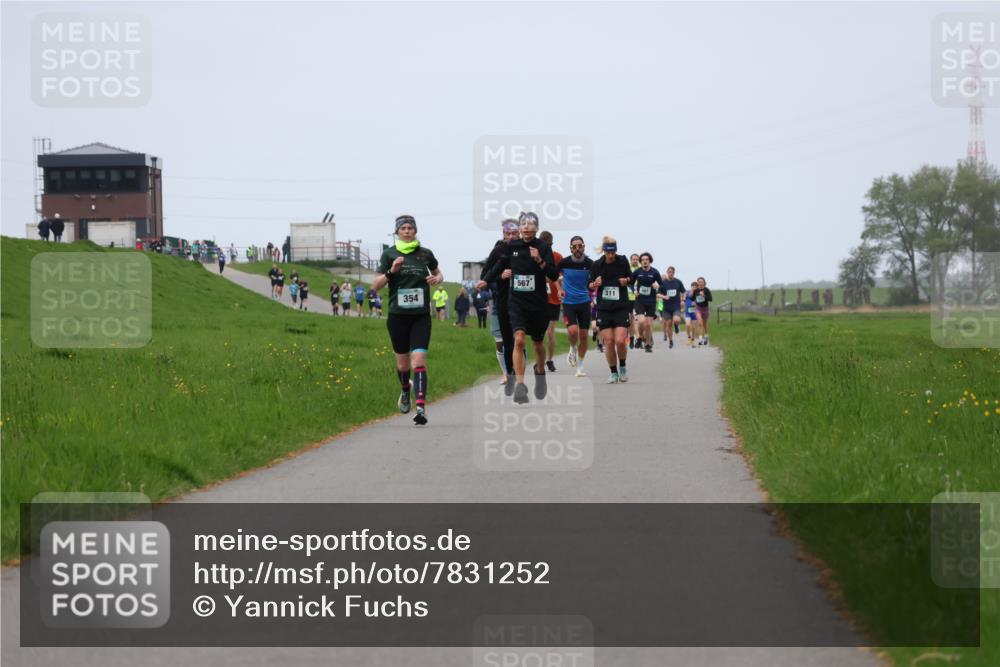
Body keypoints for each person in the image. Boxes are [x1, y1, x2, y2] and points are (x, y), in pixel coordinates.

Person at [479, 211, 559, 404]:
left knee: (538, 344)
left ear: (536, 228)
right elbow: (499, 265)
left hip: (538, 303)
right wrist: (485, 280)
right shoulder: (511, 246)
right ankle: (521, 386)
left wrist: (539, 260)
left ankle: (540, 374)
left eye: (530, 225)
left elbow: (554, 275)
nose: (525, 228)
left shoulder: (542, 247)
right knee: (519, 340)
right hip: (517, 302)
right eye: (523, 224)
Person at [373, 214, 444, 426]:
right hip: (397, 317)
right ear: (397, 232)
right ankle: (405, 390)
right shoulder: (389, 254)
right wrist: (391, 271)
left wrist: (436, 279)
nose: (406, 231)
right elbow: (375, 286)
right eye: (402, 228)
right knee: (403, 367)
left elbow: (439, 273)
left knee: (419, 361)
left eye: (410, 228)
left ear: (415, 231)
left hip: (420, 316)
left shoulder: (425, 253)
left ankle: (420, 407)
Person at [482, 221, 520, 393]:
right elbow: (485, 276)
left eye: (514, 233)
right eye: (508, 234)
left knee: (519, 339)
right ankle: (508, 372)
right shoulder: (498, 251)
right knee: (504, 341)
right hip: (502, 301)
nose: (511, 237)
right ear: (503, 234)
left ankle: (518, 376)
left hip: (522, 302)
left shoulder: (525, 250)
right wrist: (501, 276)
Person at [590, 237, 632, 383]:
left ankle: (623, 366)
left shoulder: (622, 261)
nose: (611, 255)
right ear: (604, 250)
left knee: (620, 341)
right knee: (608, 341)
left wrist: (626, 281)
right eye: (608, 252)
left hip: (620, 307)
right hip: (604, 309)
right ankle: (613, 372)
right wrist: (595, 283)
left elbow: (631, 277)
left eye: (613, 251)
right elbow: (589, 284)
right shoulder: (597, 265)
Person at [556, 235, 594, 377]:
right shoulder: (564, 262)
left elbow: (594, 281)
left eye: (580, 246)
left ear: (584, 247)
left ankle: (580, 366)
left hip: (584, 302)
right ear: (570, 248)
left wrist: (593, 285)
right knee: (573, 332)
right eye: (574, 246)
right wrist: (559, 289)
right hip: (569, 303)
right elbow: (552, 276)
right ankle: (572, 348)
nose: (577, 249)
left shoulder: (590, 263)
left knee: (584, 337)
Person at [538, 231, 563, 372]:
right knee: (539, 332)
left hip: (553, 299)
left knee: (550, 332)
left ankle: (550, 359)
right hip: (539, 298)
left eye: (548, 245)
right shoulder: (534, 256)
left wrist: (555, 279)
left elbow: (561, 275)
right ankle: (539, 359)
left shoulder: (557, 257)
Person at [631, 253, 662, 353]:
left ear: (650, 261)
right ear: (641, 262)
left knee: (648, 325)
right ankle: (639, 338)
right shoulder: (637, 271)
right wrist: (634, 291)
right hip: (640, 300)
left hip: (651, 301)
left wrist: (657, 286)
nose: (644, 261)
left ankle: (648, 344)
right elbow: (630, 283)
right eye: (643, 259)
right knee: (641, 321)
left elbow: (662, 285)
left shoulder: (655, 272)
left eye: (647, 259)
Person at [657, 266, 685, 349]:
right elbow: (658, 294)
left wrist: (683, 299)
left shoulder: (678, 282)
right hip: (667, 308)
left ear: (674, 273)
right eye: (669, 272)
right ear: (667, 272)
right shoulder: (663, 283)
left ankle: (676, 326)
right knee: (668, 325)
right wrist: (664, 297)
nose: (671, 273)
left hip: (676, 306)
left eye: (672, 272)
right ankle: (671, 341)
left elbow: (683, 292)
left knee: (676, 320)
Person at [692, 276, 713, 345]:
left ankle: (706, 335)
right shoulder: (696, 290)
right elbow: (692, 298)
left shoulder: (706, 290)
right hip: (698, 308)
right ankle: (700, 339)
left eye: (702, 282)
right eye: (699, 282)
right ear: (697, 283)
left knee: (704, 324)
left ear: (704, 283)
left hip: (705, 309)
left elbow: (710, 299)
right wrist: (692, 292)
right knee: (700, 323)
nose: (700, 283)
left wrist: (704, 295)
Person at [627, 253, 641, 349]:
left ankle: (638, 337)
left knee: (637, 319)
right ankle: (631, 338)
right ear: (631, 260)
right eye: (633, 259)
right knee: (630, 320)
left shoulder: (641, 270)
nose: (635, 261)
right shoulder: (627, 269)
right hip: (628, 297)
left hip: (638, 298)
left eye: (636, 259)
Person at [685, 281, 698, 347]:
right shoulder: (687, 292)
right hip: (688, 311)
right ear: (691, 287)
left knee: (693, 327)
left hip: (694, 312)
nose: (694, 288)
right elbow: (690, 296)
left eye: (696, 287)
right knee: (687, 325)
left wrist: (696, 303)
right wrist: (692, 291)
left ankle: (693, 340)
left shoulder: (698, 294)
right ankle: (689, 337)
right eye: (693, 287)